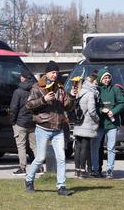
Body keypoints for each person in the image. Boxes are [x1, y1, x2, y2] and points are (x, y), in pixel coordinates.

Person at [25, 60, 77, 196]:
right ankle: (29, 180)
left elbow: (67, 106)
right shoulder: (37, 87)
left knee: (61, 158)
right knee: (40, 158)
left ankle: (61, 186)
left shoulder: (60, 87)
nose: (55, 75)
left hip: (58, 129)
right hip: (43, 128)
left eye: (56, 72)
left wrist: (71, 95)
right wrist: (44, 100)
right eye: (53, 72)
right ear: (47, 73)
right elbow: (29, 105)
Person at [92, 68, 124, 179]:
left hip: (112, 124)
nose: (107, 80)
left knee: (111, 148)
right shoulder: (97, 90)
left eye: (108, 77)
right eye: (104, 78)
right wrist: (102, 110)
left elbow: (122, 104)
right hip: (100, 124)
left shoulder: (115, 89)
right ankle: (95, 169)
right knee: (96, 147)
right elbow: (93, 106)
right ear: (100, 79)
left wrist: (113, 111)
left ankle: (110, 170)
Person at [10, 69, 39, 176]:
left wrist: (13, 121)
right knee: (35, 146)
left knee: (21, 146)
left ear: (23, 78)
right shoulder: (35, 90)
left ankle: (22, 168)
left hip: (20, 122)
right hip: (33, 122)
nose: (20, 78)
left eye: (21, 76)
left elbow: (13, 108)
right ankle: (39, 167)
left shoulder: (18, 91)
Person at [73, 72, 99, 179]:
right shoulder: (90, 94)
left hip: (78, 122)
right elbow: (92, 111)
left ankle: (77, 170)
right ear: (92, 82)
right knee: (85, 147)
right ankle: (83, 171)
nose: (97, 84)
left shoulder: (79, 91)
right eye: (96, 82)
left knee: (78, 147)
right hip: (87, 123)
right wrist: (98, 119)